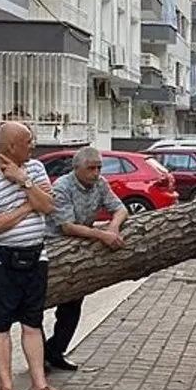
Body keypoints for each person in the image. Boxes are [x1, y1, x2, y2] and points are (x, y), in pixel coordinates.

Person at [0, 122, 70, 390]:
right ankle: (5, 387)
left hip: (35, 256)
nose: (33, 146)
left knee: (33, 323)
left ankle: (40, 385)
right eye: (28, 141)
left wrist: (23, 180)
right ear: (12, 146)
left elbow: (49, 205)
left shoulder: (35, 169)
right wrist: (29, 206)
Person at [44, 147, 129, 372]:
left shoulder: (100, 184)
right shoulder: (62, 187)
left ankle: (55, 351)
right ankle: (39, 356)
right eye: (90, 168)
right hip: (55, 249)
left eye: (99, 168)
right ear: (77, 169)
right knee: (38, 305)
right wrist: (102, 235)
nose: (96, 173)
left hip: (80, 250)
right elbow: (67, 226)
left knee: (72, 305)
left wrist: (113, 227)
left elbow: (120, 209)